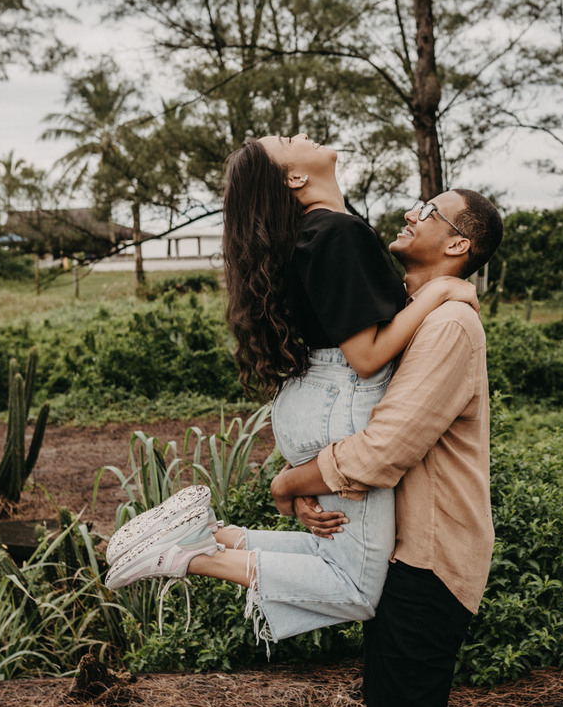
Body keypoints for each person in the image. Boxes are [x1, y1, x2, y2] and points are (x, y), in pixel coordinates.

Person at [104, 133, 476, 648]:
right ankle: (191, 556)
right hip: (342, 399)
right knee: (354, 589)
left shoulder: (310, 233)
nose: (301, 134)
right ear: (295, 178)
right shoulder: (338, 232)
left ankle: (217, 538)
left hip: (315, 399)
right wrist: (439, 291)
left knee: (334, 559)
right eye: (286, 140)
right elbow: (366, 358)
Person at [270, 187, 503, 707]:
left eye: (428, 209)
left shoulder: (449, 324)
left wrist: (288, 485)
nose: (410, 211)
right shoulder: (413, 311)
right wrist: (309, 488)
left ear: (457, 243)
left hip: (431, 558)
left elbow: (383, 450)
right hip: (402, 546)